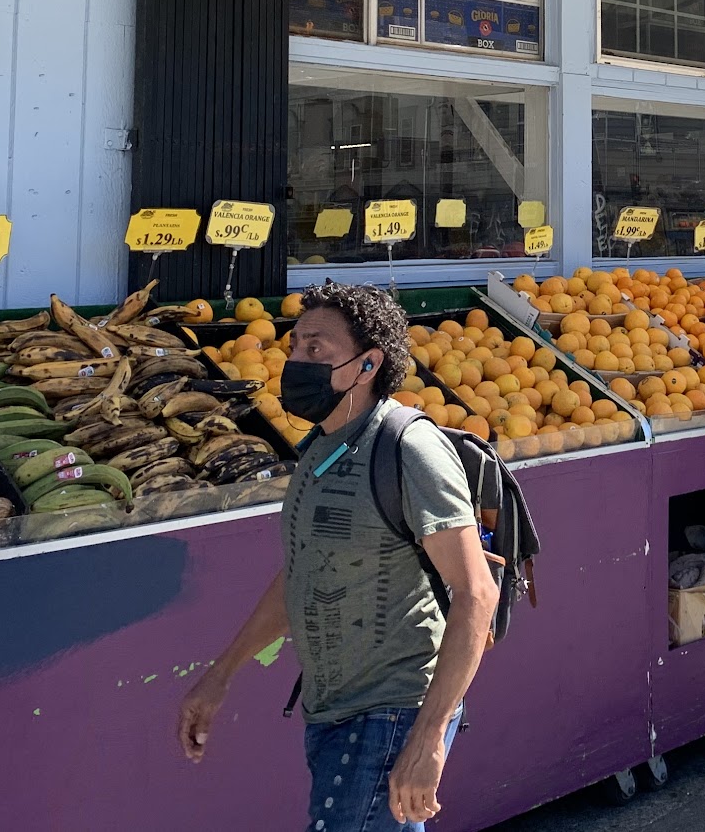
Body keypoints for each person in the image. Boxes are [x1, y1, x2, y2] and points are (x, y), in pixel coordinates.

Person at [178, 281, 498, 832]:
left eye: (316, 349)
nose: (294, 359)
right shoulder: (320, 448)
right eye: (296, 345)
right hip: (331, 713)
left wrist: (428, 738)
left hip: (391, 714)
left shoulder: (409, 449)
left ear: (367, 364)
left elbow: (477, 593)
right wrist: (221, 673)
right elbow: (305, 569)